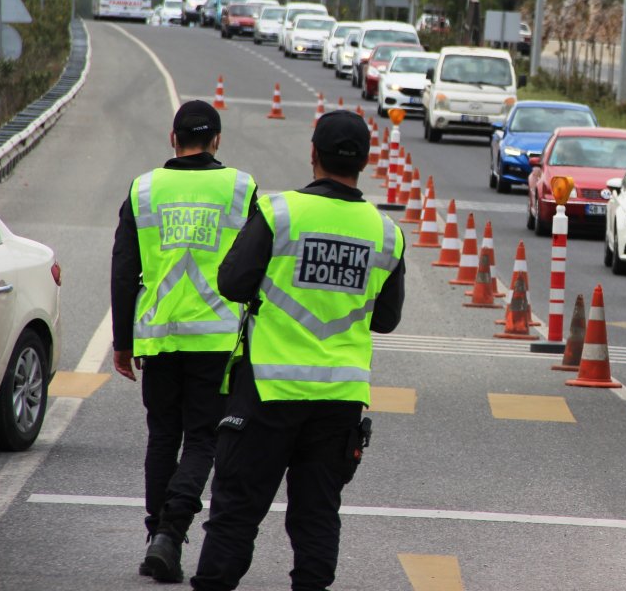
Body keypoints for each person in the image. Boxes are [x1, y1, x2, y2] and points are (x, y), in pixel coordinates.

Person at [190, 110, 406, 591]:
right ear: (366, 163)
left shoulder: (279, 212)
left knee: (236, 512)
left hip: (269, 390)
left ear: (313, 156)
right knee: (316, 515)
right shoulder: (387, 232)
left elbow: (231, 282)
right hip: (339, 400)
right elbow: (387, 319)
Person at [111, 100, 258, 583]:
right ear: (217, 141)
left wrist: (121, 340)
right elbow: (259, 265)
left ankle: (158, 534)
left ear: (172, 139)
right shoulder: (241, 187)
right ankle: (171, 533)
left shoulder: (145, 189)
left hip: (158, 337)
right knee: (202, 439)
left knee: (162, 436)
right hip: (216, 341)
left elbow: (123, 268)